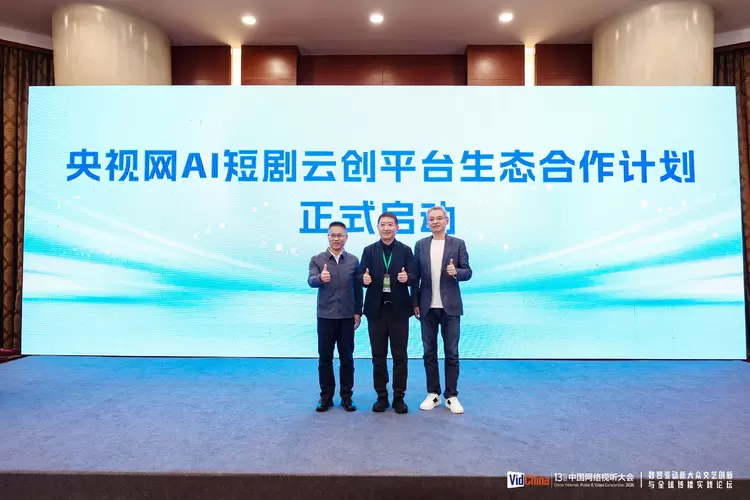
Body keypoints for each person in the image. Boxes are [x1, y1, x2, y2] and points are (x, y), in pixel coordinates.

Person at [413, 206, 472, 414]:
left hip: (451, 307)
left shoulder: (458, 244)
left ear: (447, 220)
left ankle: (451, 396)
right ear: (427, 222)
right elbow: (416, 277)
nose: (435, 222)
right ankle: (433, 393)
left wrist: (456, 272)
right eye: (431, 219)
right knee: (429, 352)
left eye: (439, 218)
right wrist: (415, 303)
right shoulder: (420, 245)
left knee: (451, 353)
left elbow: (468, 272)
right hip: (427, 306)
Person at [358, 212, 415, 414]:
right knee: (378, 356)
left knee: (400, 356)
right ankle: (381, 397)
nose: (386, 228)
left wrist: (407, 278)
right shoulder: (369, 250)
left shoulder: (406, 250)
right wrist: (363, 280)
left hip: (399, 311)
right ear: (377, 228)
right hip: (376, 311)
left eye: (390, 224)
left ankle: (399, 397)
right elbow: (359, 275)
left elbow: (415, 275)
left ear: (397, 227)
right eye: (383, 224)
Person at [308, 221, 363, 412]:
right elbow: (310, 281)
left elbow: (358, 289)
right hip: (325, 316)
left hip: (347, 316)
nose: (337, 239)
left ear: (346, 237)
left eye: (340, 235)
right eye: (333, 235)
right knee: (325, 358)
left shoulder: (353, 260)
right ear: (328, 237)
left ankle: (347, 397)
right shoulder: (317, 259)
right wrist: (320, 278)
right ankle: (326, 396)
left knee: (347, 359)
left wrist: (358, 312)